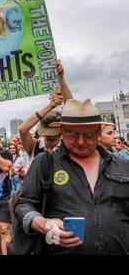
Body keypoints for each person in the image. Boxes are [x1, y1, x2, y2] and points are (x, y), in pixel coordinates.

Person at [15, 99, 129, 254]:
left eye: (88, 135)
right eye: (73, 134)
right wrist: (43, 223)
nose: (81, 142)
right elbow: (23, 205)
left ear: (98, 132)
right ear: (62, 130)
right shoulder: (45, 163)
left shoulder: (123, 165)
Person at [19, 60, 73, 160]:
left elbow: (71, 106)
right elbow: (23, 129)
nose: (51, 137)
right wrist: (50, 106)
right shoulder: (35, 147)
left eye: (54, 133)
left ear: (61, 131)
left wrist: (61, 78)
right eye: (47, 133)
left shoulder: (68, 146)